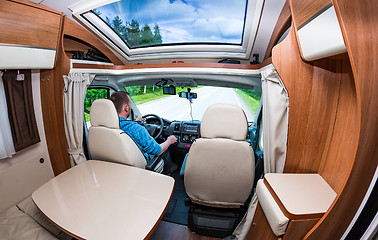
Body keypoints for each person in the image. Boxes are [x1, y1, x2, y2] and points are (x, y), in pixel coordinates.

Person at [109, 91, 177, 173]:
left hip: (115, 166)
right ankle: (168, 173)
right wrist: (169, 141)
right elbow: (158, 151)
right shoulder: (137, 129)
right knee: (165, 148)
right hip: (141, 168)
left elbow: (124, 125)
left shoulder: (106, 127)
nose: (130, 106)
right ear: (126, 107)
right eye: (130, 103)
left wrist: (136, 121)